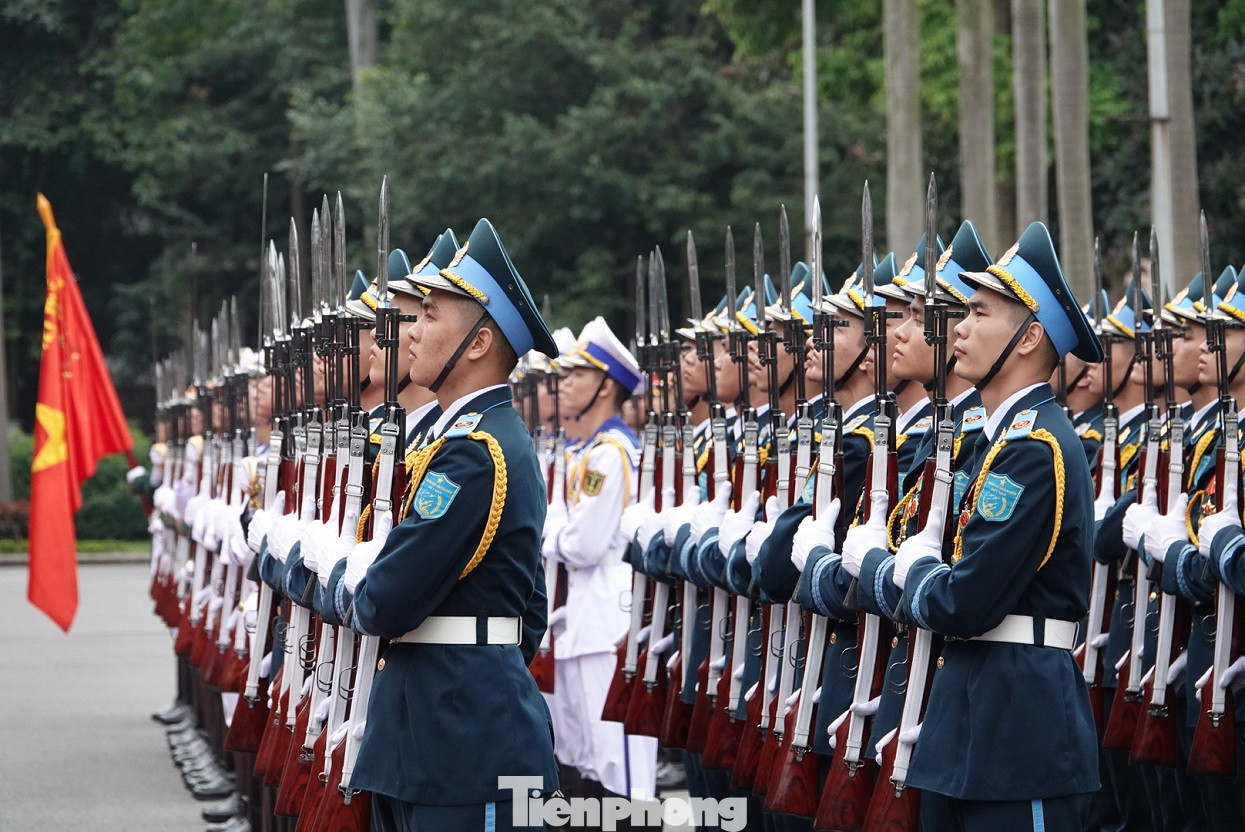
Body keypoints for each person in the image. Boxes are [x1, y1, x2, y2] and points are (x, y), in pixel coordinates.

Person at [865, 221, 1104, 831]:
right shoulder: (1002, 442)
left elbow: (965, 601)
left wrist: (908, 570)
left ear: (1028, 338)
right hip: (970, 715)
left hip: (1020, 728)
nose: (959, 328)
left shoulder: (1035, 448)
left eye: (976, 313)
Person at [340, 217, 560, 831]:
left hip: (463, 746)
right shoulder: (469, 442)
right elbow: (528, 610)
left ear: (481, 343)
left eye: (430, 316)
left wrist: (357, 574)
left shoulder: (474, 452)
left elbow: (384, 602)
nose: (409, 333)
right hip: (438, 734)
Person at [542, 316, 659, 806]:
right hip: (580, 620)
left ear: (606, 386)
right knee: (583, 762)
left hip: (606, 621)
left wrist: (544, 530)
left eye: (577, 375)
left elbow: (583, 546)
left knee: (620, 771)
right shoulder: (585, 452)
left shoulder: (611, 453)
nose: (562, 384)